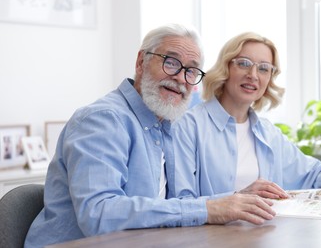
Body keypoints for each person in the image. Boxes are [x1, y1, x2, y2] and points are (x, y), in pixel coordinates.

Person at [24, 24, 276, 248]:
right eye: (171, 62)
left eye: (191, 71)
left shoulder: (167, 126)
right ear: (141, 62)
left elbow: (175, 205)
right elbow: (99, 214)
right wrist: (209, 208)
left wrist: (234, 201)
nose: (180, 78)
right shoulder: (103, 119)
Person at [173, 32, 321, 201]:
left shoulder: (267, 132)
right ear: (225, 68)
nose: (253, 75)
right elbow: (181, 201)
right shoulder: (188, 126)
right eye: (244, 63)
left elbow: (311, 172)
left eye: (263, 68)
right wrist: (237, 198)